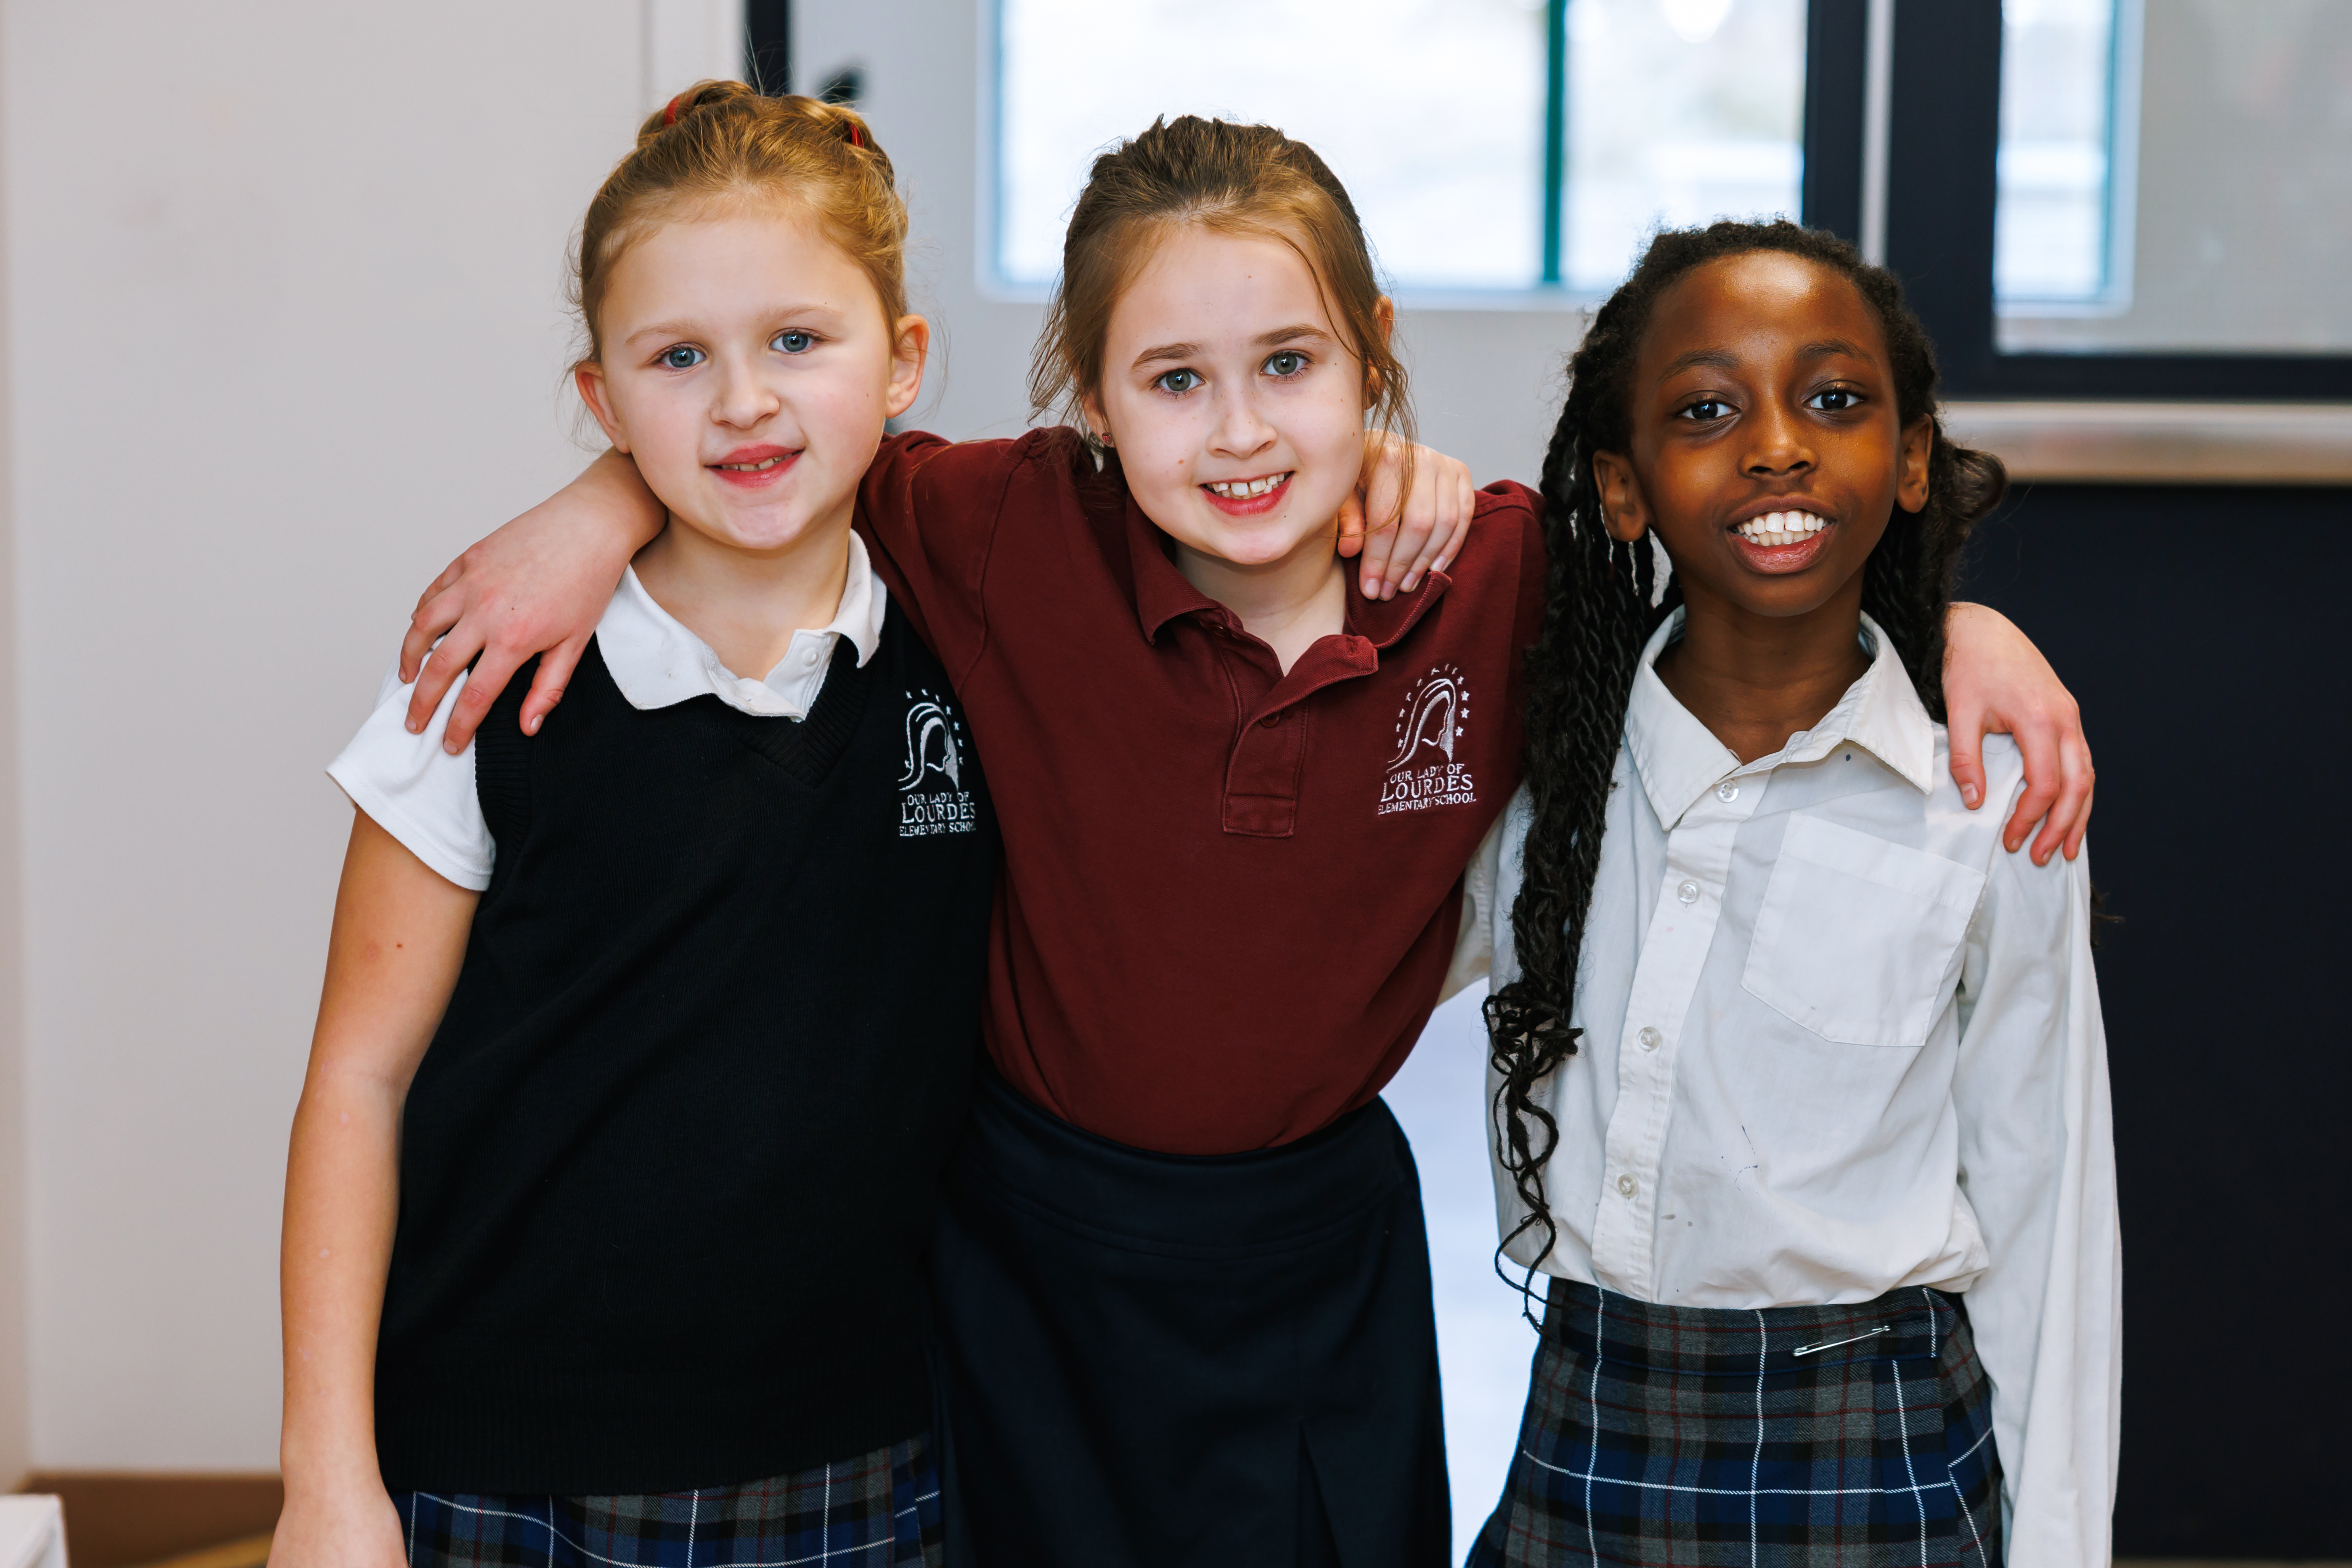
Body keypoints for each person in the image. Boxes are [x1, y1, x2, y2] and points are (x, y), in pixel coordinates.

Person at [392, 121, 2096, 1567]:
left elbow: (1748, 576)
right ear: (1087, 400)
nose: (1238, 431)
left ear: (1371, 355)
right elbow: (769, 448)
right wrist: (593, 503)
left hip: (1316, 1265)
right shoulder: (995, 528)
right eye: (1172, 381)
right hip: (1029, 1257)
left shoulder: (1489, 577)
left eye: (1290, 367)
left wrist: (1949, 631)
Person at [271, 87, 1001, 1568]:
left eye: (798, 341)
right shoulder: (485, 687)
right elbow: (357, 1077)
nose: (743, 400)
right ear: (601, 402)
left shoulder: (982, 658)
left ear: (905, 360)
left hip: (854, 1459)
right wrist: (325, 1481)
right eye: (679, 359)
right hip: (495, 1463)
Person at [1453, 221, 2118, 1568]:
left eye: (1834, 398)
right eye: (1706, 407)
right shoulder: (1537, 772)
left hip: (1873, 1448)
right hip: (1588, 1426)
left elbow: (2048, 1202)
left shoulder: (1988, 793)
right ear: (1621, 485)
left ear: (1913, 459)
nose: (1776, 444)